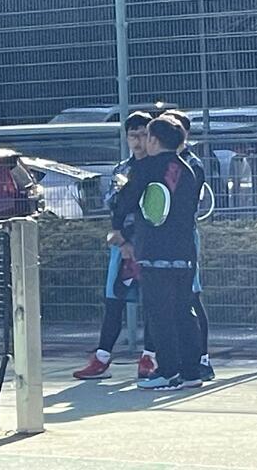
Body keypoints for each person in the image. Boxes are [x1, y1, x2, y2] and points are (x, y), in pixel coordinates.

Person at [109, 115, 202, 391]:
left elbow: (125, 200)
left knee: (160, 315)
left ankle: (168, 371)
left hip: (154, 251)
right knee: (184, 311)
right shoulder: (189, 169)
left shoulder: (146, 167)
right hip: (185, 252)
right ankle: (191, 372)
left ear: (154, 139)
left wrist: (118, 228)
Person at [73, 112, 157, 380]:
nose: (139, 140)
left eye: (144, 134)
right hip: (121, 245)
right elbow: (113, 203)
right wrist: (122, 240)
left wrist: (137, 240)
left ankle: (149, 357)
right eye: (133, 135)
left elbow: (154, 210)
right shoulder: (122, 170)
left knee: (153, 302)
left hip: (151, 245)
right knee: (113, 299)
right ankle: (101, 358)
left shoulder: (159, 169)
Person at [164, 110, 214, 381]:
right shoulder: (161, 162)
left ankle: (202, 359)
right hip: (164, 240)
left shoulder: (190, 164)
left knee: (191, 297)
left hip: (183, 237)